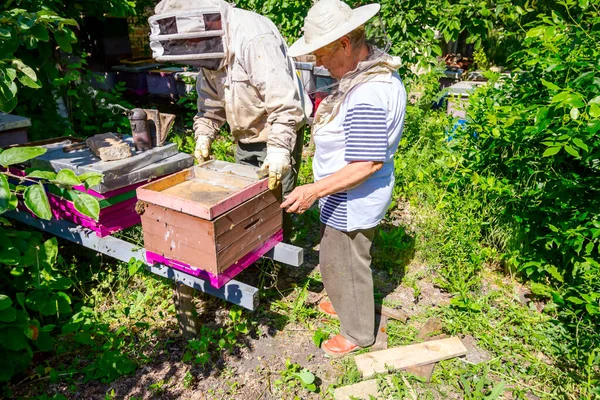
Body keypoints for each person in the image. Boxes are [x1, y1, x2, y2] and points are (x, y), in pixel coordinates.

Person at [281, 0, 407, 357]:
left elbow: (365, 164)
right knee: (336, 257)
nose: (319, 62)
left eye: (322, 54)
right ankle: (342, 303)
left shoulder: (367, 93)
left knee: (347, 262)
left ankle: (357, 332)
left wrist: (312, 190)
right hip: (346, 194)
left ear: (345, 44)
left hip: (353, 197)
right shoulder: (369, 74)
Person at [149, 0, 311, 239]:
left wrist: (278, 150)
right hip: (244, 135)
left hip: (279, 132)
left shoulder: (254, 37)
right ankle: (250, 257)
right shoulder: (207, 44)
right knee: (244, 203)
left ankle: (277, 263)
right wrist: (204, 133)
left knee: (277, 204)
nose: (190, 45)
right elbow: (211, 100)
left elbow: (284, 103)